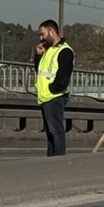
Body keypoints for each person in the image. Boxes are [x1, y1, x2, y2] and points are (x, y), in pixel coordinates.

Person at [34, 19, 74, 157]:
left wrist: (53, 88)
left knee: (56, 131)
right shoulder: (48, 50)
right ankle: (51, 158)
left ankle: (58, 160)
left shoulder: (64, 51)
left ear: (52, 32)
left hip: (54, 96)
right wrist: (38, 56)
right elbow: (39, 70)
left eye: (42, 34)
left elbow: (63, 77)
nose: (41, 38)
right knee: (50, 132)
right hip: (46, 97)